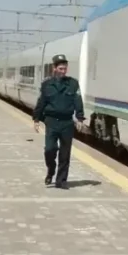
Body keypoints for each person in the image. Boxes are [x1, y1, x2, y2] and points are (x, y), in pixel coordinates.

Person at [32, 54, 85, 189]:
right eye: (61, 69)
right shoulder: (47, 84)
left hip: (67, 122)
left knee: (65, 153)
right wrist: (36, 119)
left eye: (65, 69)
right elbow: (41, 102)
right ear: (54, 68)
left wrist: (79, 118)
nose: (63, 71)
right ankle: (51, 169)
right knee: (49, 149)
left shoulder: (73, 83)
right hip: (51, 121)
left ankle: (61, 180)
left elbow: (78, 101)